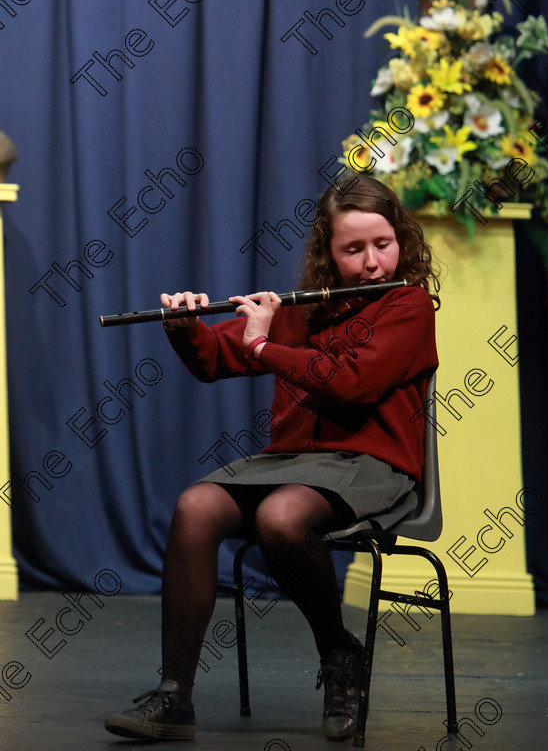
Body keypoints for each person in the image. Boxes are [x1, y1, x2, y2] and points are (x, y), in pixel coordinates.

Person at [104, 175, 440, 742]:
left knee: (281, 519)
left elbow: (351, 383)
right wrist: (186, 329)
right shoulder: (304, 309)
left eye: (382, 244)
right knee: (196, 506)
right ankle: (174, 697)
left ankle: (338, 653)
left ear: (401, 238)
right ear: (329, 255)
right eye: (352, 250)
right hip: (291, 462)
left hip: (371, 464)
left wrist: (264, 345)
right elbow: (215, 359)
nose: (373, 263)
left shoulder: (408, 306)